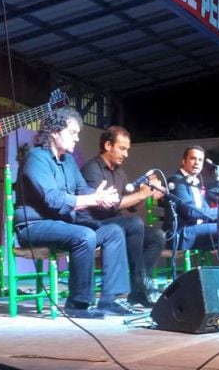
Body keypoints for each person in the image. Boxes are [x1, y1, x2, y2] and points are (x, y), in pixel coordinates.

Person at [13, 107, 137, 318]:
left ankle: (110, 299)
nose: (77, 138)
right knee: (84, 235)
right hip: (33, 226)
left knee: (114, 231)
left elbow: (82, 189)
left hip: (62, 225)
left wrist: (102, 197)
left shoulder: (68, 161)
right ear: (54, 132)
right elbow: (52, 199)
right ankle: (78, 304)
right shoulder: (36, 158)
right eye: (72, 132)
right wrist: (92, 199)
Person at [80, 125, 166, 307]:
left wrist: (147, 192)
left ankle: (137, 290)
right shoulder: (91, 168)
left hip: (119, 224)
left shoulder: (120, 173)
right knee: (134, 223)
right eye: (122, 148)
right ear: (108, 145)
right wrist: (141, 194)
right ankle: (139, 283)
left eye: (127, 150)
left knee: (157, 236)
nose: (126, 154)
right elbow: (110, 204)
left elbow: (133, 207)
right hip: (95, 223)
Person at [164, 145, 219, 267]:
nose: (197, 163)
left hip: (197, 232)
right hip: (182, 233)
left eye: (200, 160)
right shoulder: (176, 181)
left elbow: (205, 211)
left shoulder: (196, 183)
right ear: (183, 161)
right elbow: (190, 212)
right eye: (193, 158)